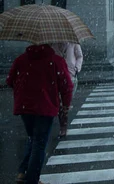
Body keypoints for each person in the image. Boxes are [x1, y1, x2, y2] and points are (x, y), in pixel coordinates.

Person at [7, 44, 73, 184]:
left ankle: (22, 172)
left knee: (33, 138)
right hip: (45, 107)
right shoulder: (56, 60)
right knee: (39, 143)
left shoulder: (21, 59)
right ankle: (32, 179)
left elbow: (10, 80)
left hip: (25, 107)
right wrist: (65, 105)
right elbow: (66, 86)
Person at [50, 42, 84, 139]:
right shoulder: (52, 44)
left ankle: (63, 125)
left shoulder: (73, 43)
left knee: (66, 103)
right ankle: (63, 126)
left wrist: (77, 68)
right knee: (59, 103)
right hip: (56, 76)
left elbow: (79, 56)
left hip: (70, 75)